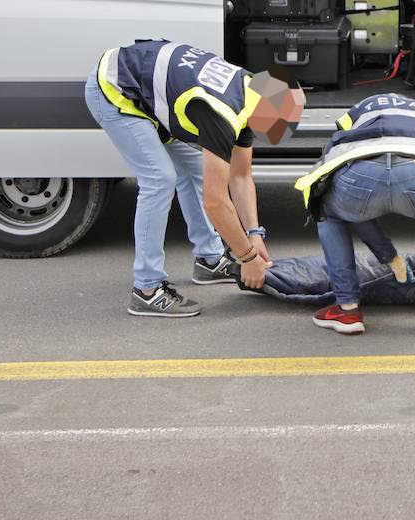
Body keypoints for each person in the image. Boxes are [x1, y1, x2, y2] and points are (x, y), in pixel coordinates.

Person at [85, 40, 304, 317]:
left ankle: (209, 259)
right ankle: (147, 289)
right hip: (114, 87)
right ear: (265, 115)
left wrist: (254, 234)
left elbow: (240, 176)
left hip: (145, 88)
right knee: (160, 179)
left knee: (198, 170)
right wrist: (247, 257)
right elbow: (215, 201)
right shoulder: (222, 113)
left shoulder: (251, 94)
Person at [294, 93, 415, 335]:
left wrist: (389, 255)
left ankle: (347, 309)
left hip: (360, 178)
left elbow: (334, 160)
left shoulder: (357, 111)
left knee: (328, 207)